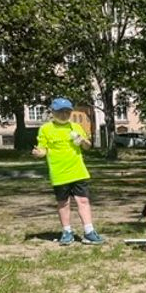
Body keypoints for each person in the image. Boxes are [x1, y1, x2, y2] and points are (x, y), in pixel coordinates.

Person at [32, 97, 105, 246]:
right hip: (59, 173)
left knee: (83, 201)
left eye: (67, 112)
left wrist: (83, 141)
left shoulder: (76, 127)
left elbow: (87, 146)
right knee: (63, 203)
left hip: (78, 171)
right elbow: (42, 149)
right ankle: (67, 232)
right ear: (53, 112)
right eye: (60, 112)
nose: (64, 115)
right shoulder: (46, 129)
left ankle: (89, 231)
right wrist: (38, 153)